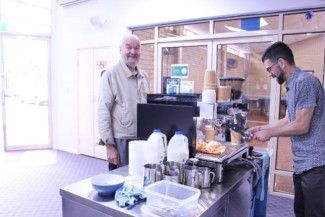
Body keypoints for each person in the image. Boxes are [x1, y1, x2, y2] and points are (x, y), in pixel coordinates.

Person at [249, 41, 325, 217]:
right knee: (301, 211)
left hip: (315, 164)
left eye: (270, 69)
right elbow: (289, 119)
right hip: (302, 164)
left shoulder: (305, 82)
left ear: (281, 63)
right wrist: (263, 127)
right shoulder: (292, 85)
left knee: (314, 213)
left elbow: (301, 125)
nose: (269, 74)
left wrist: (269, 133)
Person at [98, 34, 149, 170]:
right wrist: (109, 145)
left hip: (142, 139)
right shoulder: (110, 75)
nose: (133, 52)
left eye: (137, 48)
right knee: (121, 183)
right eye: (128, 47)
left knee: (139, 179)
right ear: (120, 49)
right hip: (121, 140)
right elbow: (103, 110)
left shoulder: (144, 76)